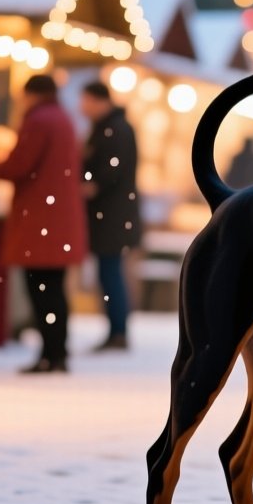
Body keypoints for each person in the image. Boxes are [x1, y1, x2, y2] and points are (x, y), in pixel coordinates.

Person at [0, 75, 89, 374]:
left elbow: (18, 165)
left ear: (32, 94)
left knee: (42, 290)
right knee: (54, 290)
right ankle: (57, 352)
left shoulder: (38, 121)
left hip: (40, 221)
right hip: (57, 220)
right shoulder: (62, 118)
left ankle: (51, 354)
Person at [79, 81, 141, 353]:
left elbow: (112, 169)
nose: (82, 108)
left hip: (112, 216)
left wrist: (92, 184)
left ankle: (118, 331)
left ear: (98, 100)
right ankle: (117, 330)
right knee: (109, 272)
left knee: (110, 272)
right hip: (112, 215)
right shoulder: (110, 127)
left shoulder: (114, 129)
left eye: (86, 101)